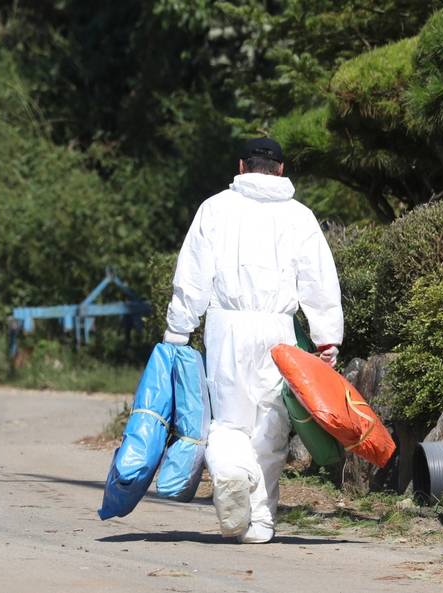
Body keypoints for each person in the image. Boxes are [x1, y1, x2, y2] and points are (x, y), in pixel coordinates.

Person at [163, 137, 344, 543]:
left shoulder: (215, 209)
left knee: (228, 419)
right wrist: (326, 338)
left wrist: (177, 330)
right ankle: (260, 522)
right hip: (278, 330)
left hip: (225, 326)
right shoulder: (300, 217)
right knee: (271, 424)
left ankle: (229, 474)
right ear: (280, 170)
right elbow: (319, 281)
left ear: (241, 166)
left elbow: (191, 276)